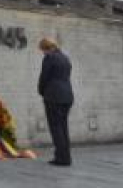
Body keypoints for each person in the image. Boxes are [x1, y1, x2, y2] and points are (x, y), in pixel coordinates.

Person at [37, 37, 74, 166]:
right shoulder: (65, 58)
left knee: (56, 128)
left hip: (53, 96)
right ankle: (66, 157)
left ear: (46, 48)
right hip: (67, 96)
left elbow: (44, 77)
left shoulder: (49, 58)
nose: (43, 53)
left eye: (42, 50)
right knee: (63, 127)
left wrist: (41, 91)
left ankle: (61, 158)